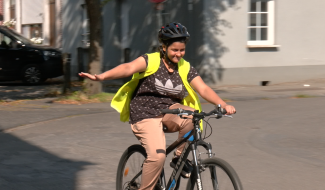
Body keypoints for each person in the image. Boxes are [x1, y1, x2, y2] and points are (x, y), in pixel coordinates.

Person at [79, 22, 236, 190]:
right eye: (174, 50)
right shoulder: (151, 60)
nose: (178, 54)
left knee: (194, 116)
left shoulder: (185, 67)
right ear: (164, 47)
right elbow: (129, 67)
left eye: (181, 50)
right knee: (157, 156)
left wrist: (223, 104)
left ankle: (178, 159)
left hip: (170, 111)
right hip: (145, 112)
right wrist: (102, 77)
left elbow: (203, 88)